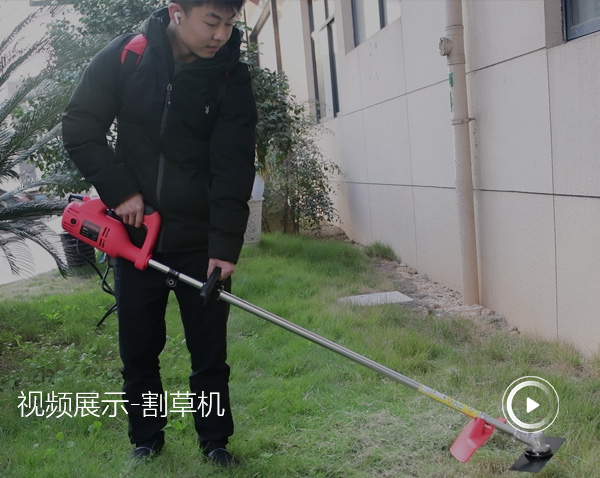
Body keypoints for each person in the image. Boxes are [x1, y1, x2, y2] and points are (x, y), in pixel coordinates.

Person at [62, 0, 256, 467]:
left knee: (209, 353)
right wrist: (121, 191)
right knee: (139, 350)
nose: (221, 35)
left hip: (199, 240)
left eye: (230, 24)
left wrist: (224, 246)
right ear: (177, 12)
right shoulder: (127, 56)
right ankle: (147, 439)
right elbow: (80, 125)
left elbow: (233, 165)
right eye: (212, 21)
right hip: (134, 238)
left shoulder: (230, 75)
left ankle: (215, 441)